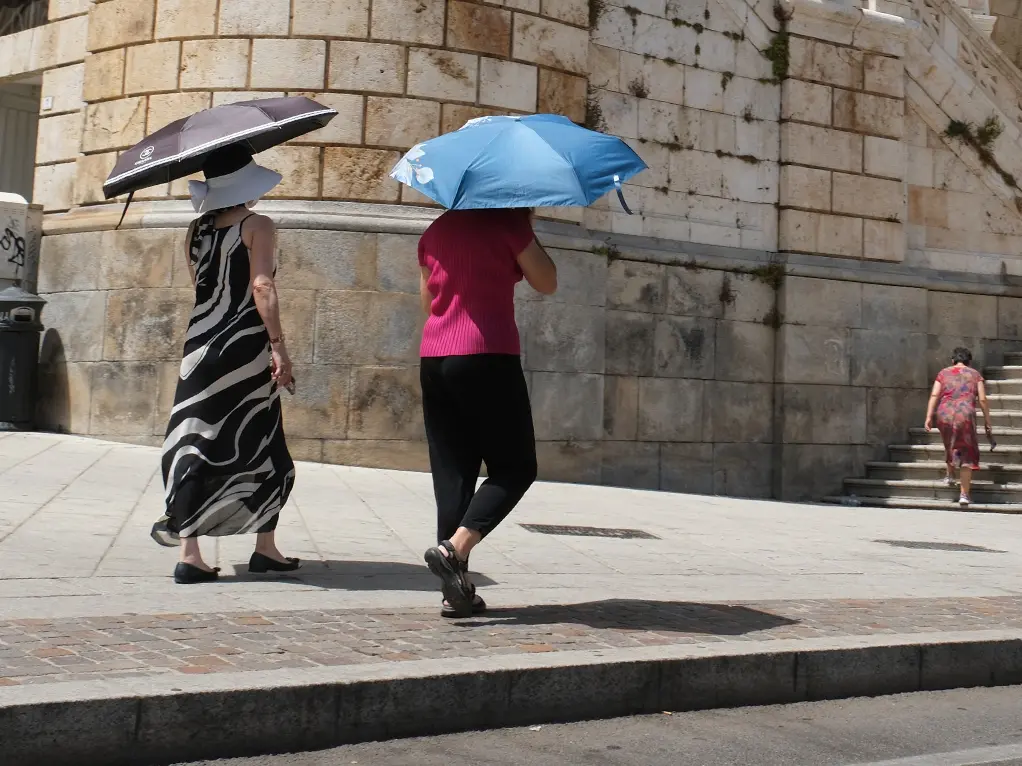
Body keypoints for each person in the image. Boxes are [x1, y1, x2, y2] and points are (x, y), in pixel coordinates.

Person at [151, 144, 300, 583]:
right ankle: (265, 546)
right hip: (242, 347)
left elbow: (201, 287)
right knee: (263, 441)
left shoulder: (195, 231)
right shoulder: (258, 225)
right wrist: (278, 347)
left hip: (199, 346)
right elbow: (261, 287)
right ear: (246, 184)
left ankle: (191, 553)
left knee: (195, 441)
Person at [417, 207, 557, 618]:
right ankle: (455, 548)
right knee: (515, 467)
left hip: (435, 356)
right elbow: (547, 281)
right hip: (486, 353)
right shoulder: (509, 225)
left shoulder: (435, 230)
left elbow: (429, 302)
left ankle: (453, 592)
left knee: (452, 474)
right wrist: (526, 233)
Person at [924, 347, 992, 507]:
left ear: (952, 360)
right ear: (969, 361)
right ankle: (964, 495)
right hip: (965, 414)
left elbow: (934, 394)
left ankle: (949, 475)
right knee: (966, 451)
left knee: (950, 443)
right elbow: (982, 399)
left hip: (944, 413)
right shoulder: (975, 375)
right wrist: (987, 420)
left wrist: (928, 416)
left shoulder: (943, 373)